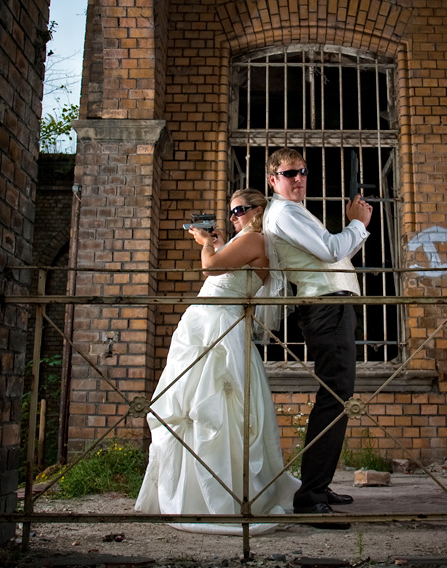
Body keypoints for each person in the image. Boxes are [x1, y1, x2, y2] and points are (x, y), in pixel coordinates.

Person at [134, 188, 299, 534]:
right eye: (232, 211)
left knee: (214, 410)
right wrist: (221, 243)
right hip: (205, 327)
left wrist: (204, 242)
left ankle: (220, 496)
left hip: (218, 330)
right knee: (188, 408)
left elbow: (210, 268)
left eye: (242, 209)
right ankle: (188, 492)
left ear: (260, 210)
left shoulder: (256, 240)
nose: (236, 216)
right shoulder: (246, 242)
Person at [263, 148, 373, 529]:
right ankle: (310, 497)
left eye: (303, 172)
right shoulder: (284, 212)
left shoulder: (296, 212)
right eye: (289, 172)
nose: (299, 178)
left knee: (337, 397)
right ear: (272, 179)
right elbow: (331, 250)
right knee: (335, 397)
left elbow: (338, 255)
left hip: (333, 304)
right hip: (324, 307)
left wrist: (354, 229)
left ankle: (317, 488)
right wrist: (356, 223)